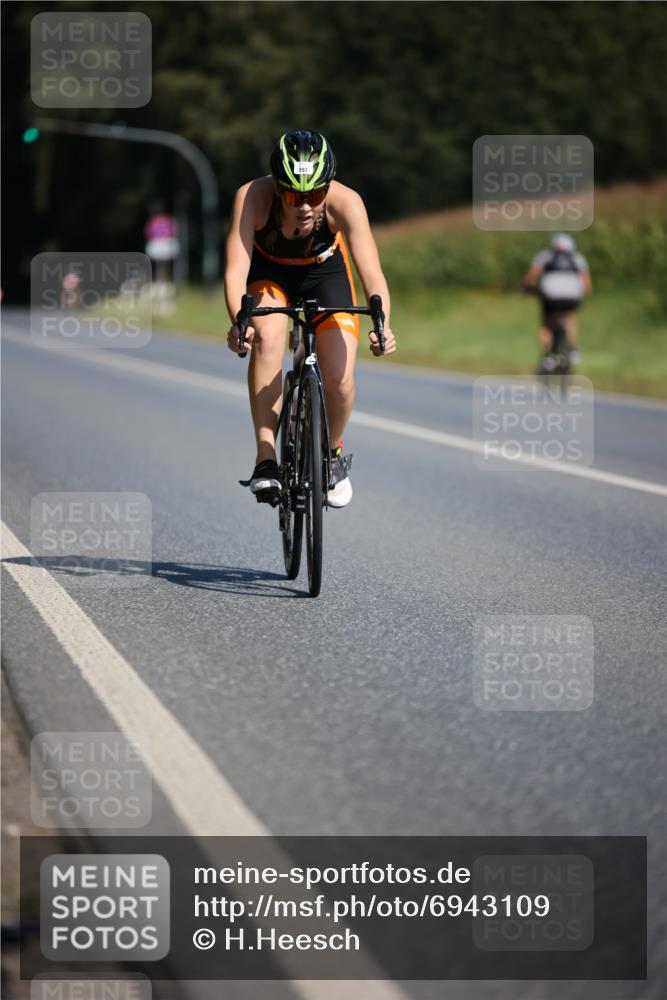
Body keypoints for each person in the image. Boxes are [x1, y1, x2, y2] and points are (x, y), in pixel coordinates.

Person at [225, 129, 396, 508]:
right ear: (277, 188)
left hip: (324, 272)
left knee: (340, 377)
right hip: (269, 273)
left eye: (315, 195)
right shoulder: (252, 196)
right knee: (268, 336)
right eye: (293, 196)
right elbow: (236, 270)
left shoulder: (346, 202)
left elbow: (372, 275)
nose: (305, 206)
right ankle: (266, 458)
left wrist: (382, 325)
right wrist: (240, 321)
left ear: (327, 187)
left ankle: (331, 454)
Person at [522, 233, 592, 363]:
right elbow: (587, 284)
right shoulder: (577, 258)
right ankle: (572, 349)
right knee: (569, 318)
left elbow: (532, 276)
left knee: (546, 322)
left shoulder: (545, 256)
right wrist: (580, 294)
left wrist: (527, 287)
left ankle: (548, 356)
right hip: (572, 296)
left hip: (551, 297)